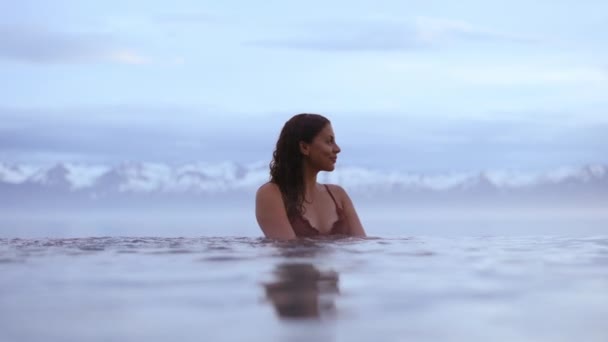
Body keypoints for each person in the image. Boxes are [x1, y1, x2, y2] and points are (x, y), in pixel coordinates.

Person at [255, 113, 367, 239]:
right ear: (304, 147)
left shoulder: (338, 195)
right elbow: (287, 248)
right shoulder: (271, 194)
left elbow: (362, 244)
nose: (337, 149)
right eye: (329, 141)